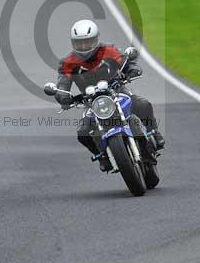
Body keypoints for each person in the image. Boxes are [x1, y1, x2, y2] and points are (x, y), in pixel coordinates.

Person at [54, 19, 165, 172]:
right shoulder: (68, 62)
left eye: (88, 41)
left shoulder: (108, 50)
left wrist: (132, 69)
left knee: (142, 104)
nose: (84, 46)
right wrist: (62, 96)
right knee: (83, 132)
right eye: (80, 43)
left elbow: (125, 62)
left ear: (96, 39)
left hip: (117, 91)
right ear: (73, 43)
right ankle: (102, 156)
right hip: (91, 102)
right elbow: (62, 83)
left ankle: (154, 132)